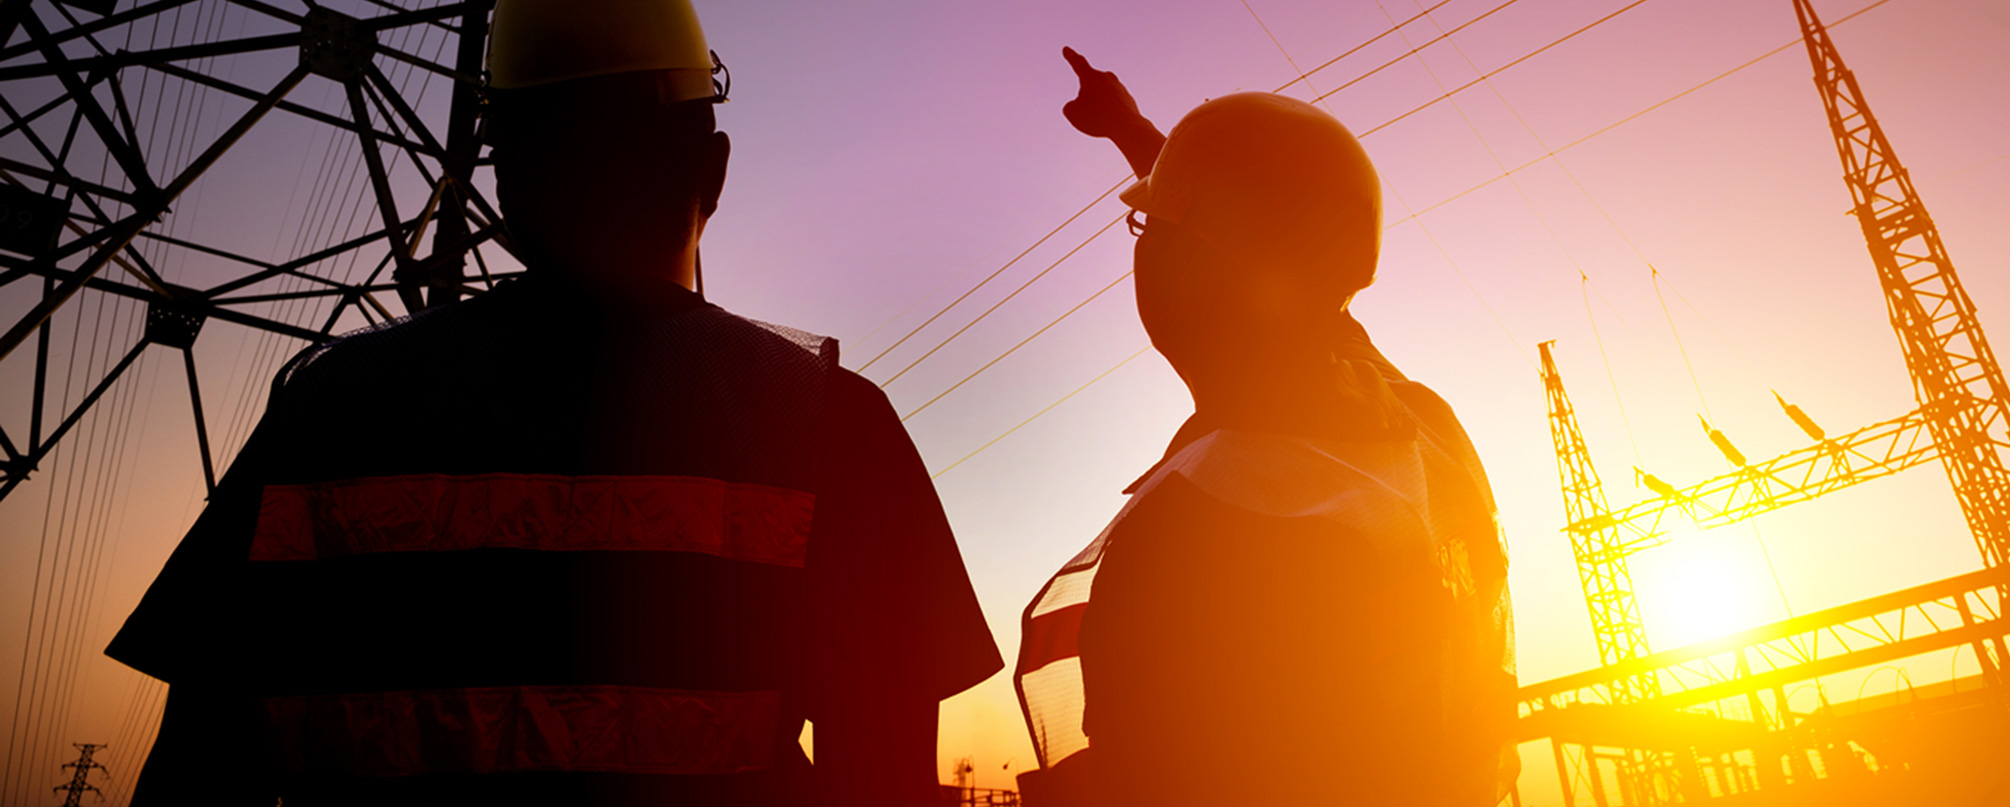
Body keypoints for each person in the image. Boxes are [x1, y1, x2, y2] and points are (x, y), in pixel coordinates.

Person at [105, 2, 1001, 805]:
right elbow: (880, 781)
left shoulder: (327, 412)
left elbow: (195, 770)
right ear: (714, 170)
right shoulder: (833, 426)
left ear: (506, 184)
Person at [1013, 49, 1518, 807]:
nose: (1141, 242)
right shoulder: (1415, 426)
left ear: (1186, 265)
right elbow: (1278, 257)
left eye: (1145, 224)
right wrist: (1134, 132)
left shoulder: (1198, 522)